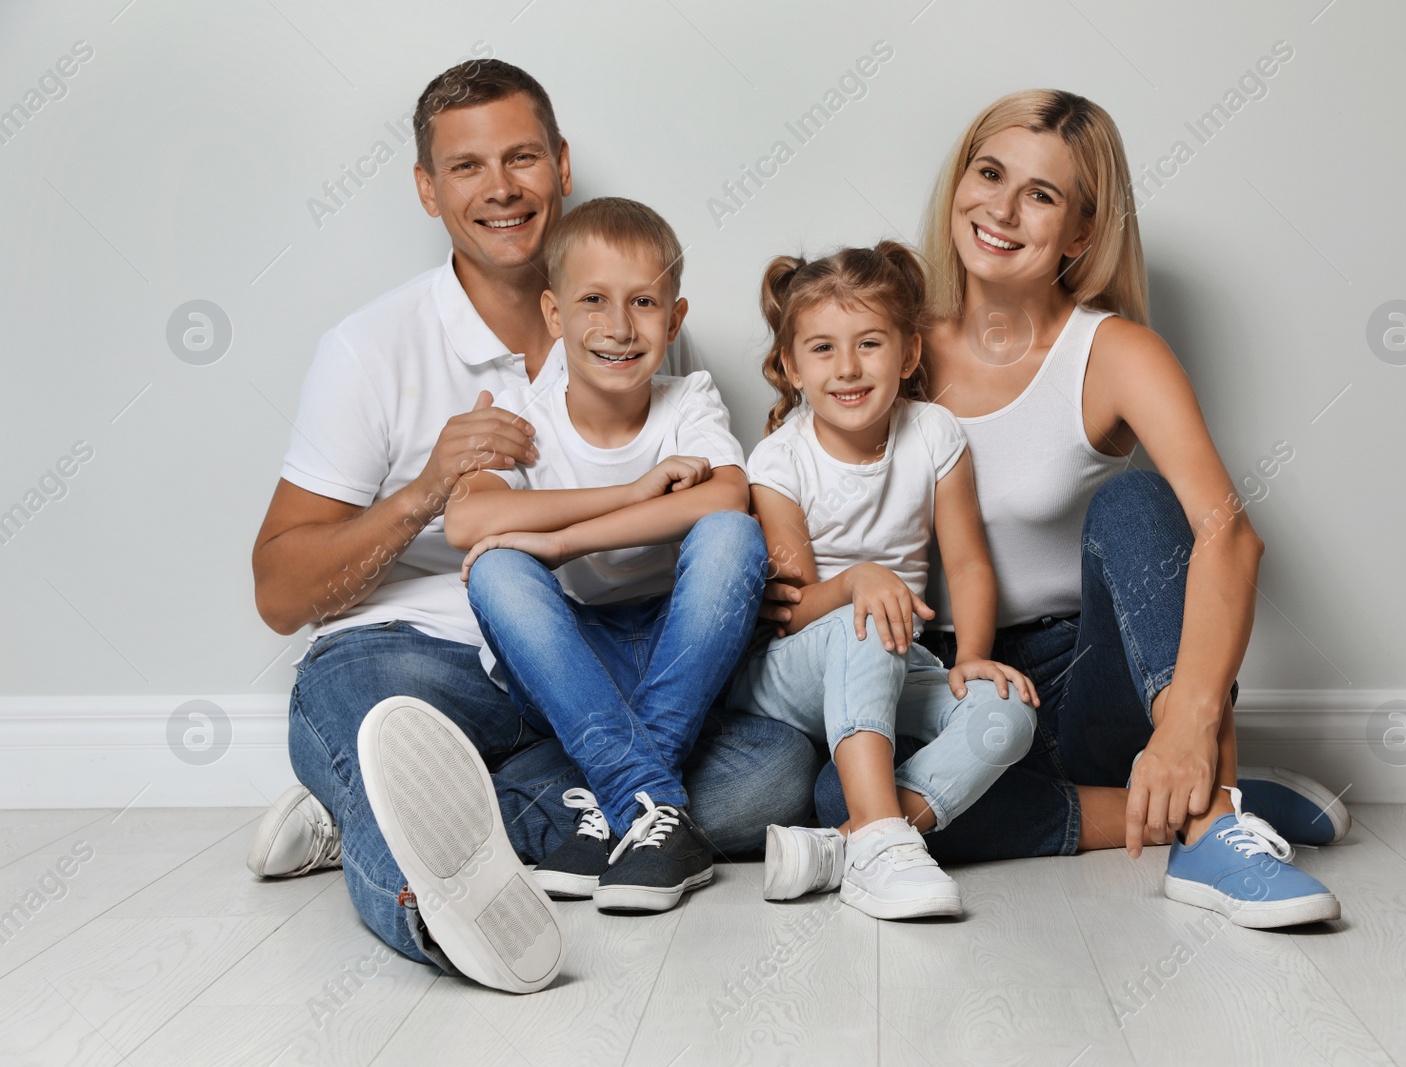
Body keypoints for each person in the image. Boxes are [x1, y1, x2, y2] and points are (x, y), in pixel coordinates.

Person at [247, 60, 816, 989]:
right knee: (374, 714)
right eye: (467, 166)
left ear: (560, 165)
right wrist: (426, 488)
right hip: (424, 663)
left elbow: (709, 507)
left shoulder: (634, 328)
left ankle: (383, 807)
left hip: (587, 679)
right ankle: (435, 908)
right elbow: (280, 594)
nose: (501, 187)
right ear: (428, 190)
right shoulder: (369, 347)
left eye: (522, 158)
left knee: (774, 775)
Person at [784, 90, 1349, 929]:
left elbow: (1232, 536)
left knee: (1138, 500)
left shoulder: (1115, 351)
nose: (1001, 209)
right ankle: (1166, 801)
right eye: (989, 174)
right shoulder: (888, 346)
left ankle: (1207, 819)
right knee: (842, 790)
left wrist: (1192, 722)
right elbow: (802, 473)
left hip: (1083, 684)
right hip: (939, 681)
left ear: (1081, 233)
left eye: (1041, 195)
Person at [446, 197, 764, 915]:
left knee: (734, 538)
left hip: (677, 661)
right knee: (497, 569)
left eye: (644, 302)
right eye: (593, 300)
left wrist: (561, 539)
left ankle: (613, 808)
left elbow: (727, 499)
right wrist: (635, 492)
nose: (619, 328)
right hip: (575, 666)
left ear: (675, 319)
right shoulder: (528, 415)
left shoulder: (690, 400)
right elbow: (470, 518)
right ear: (555, 316)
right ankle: (650, 807)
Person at [727, 242, 1039, 920]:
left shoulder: (933, 432)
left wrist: (975, 657)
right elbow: (792, 610)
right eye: (822, 349)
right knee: (867, 625)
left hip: (897, 657)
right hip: (793, 669)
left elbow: (968, 562)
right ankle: (877, 837)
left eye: (869, 343)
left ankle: (851, 845)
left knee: (1008, 714)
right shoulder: (779, 459)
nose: (847, 368)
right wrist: (857, 582)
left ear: (908, 353)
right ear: (790, 365)